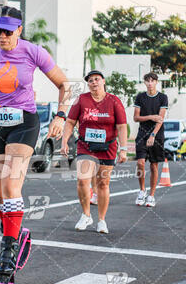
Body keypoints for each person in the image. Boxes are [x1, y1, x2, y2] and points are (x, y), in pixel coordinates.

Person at [0, 6, 70, 284]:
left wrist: (60, 116)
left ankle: (5, 267)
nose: (2, 37)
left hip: (24, 121)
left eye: (8, 32)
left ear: (19, 30)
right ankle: (16, 233)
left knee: (11, 185)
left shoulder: (33, 52)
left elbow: (64, 84)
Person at [60, 70, 128, 234]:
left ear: (103, 81)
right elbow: (70, 122)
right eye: (90, 81)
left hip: (108, 147)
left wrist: (124, 149)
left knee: (103, 183)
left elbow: (121, 126)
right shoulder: (81, 100)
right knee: (83, 180)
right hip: (86, 146)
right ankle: (86, 215)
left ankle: (102, 220)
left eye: (97, 79)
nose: (94, 82)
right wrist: (64, 142)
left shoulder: (114, 101)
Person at [134, 72, 168, 207]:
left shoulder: (162, 97)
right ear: (144, 83)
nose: (150, 83)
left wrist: (153, 135)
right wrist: (150, 117)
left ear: (156, 82)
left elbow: (160, 119)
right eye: (147, 81)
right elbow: (136, 118)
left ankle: (151, 196)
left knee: (154, 165)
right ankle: (142, 190)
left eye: (152, 81)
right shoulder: (140, 97)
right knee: (140, 163)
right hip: (142, 133)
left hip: (157, 135)